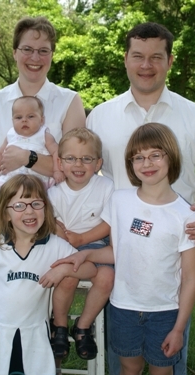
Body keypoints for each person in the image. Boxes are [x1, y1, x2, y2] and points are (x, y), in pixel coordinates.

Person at [86, 22, 195, 375]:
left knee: (167, 355)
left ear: (169, 61)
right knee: (123, 356)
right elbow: (82, 171)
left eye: (156, 57)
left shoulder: (194, 115)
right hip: (118, 242)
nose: (146, 64)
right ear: (126, 60)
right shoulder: (100, 116)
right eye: (138, 56)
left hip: (171, 247)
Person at [51, 122, 195, 375]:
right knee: (128, 372)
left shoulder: (186, 216)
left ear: (171, 157)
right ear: (131, 163)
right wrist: (85, 254)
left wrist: (179, 329)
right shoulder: (119, 201)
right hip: (123, 309)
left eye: (156, 154)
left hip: (165, 312)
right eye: (139, 157)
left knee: (161, 374)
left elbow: (189, 279)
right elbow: (117, 252)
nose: (147, 163)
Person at [0, 174, 97, 375]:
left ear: (45, 209)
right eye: (19, 205)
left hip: (34, 332)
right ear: (5, 213)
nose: (29, 211)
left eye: (36, 204)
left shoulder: (54, 245)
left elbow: (90, 269)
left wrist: (64, 270)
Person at [0, 15, 86, 253]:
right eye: (27, 49)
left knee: (40, 290)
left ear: (52, 55)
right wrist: (6, 196)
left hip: (46, 221)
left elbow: (74, 168)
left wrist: (28, 158)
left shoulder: (69, 101)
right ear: (15, 53)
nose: (35, 58)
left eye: (43, 51)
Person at [47, 127, 115, 360]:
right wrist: (67, 240)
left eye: (87, 159)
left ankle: (83, 326)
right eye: (71, 159)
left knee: (107, 277)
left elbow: (109, 222)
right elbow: (52, 221)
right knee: (67, 278)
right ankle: (59, 325)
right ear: (60, 162)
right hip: (63, 246)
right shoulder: (54, 194)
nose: (79, 165)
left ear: (98, 164)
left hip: (95, 244)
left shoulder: (106, 187)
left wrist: (83, 239)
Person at [0, 96, 64, 213]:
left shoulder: (44, 135)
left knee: (38, 205)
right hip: (9, 178)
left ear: (41, 120)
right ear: (12, 120)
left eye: (31, 116)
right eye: (18, 117)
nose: (24, 120)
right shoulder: (11, 135)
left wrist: (57, 170)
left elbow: (56, 152)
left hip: (35, 180)